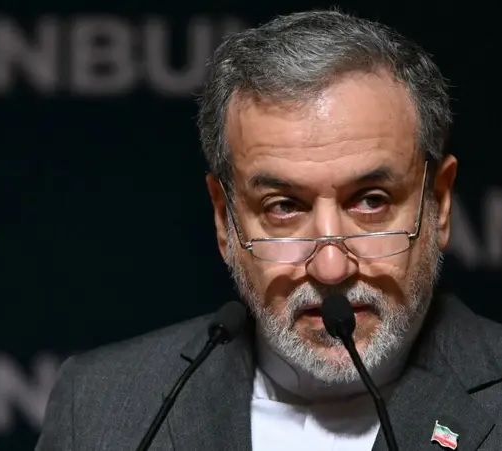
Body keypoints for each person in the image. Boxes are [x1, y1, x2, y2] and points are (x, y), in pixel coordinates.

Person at [36, 10, 502, 450]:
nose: (331, 267)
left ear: (440, 203)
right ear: (225, 220)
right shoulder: (98, 407)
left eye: (371, 201)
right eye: (284, 207)